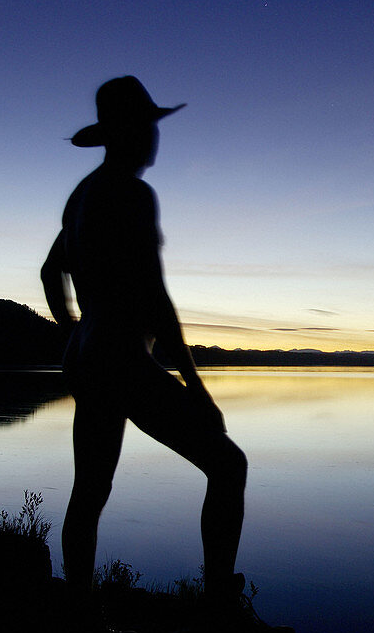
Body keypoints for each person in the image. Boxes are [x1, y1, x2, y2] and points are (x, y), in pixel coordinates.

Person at [41, 76, 247, 603]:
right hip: (121, 358)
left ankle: (78, 613)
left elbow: (50, 272)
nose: (155, 137)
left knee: (89, 491)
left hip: (88, 357)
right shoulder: (132, 194)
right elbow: (155, 296)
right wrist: (197, 389)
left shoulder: (82, 195)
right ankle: (219, 602)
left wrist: (75, 329)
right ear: (123, 132)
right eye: (147, 126)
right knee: (228, 465)